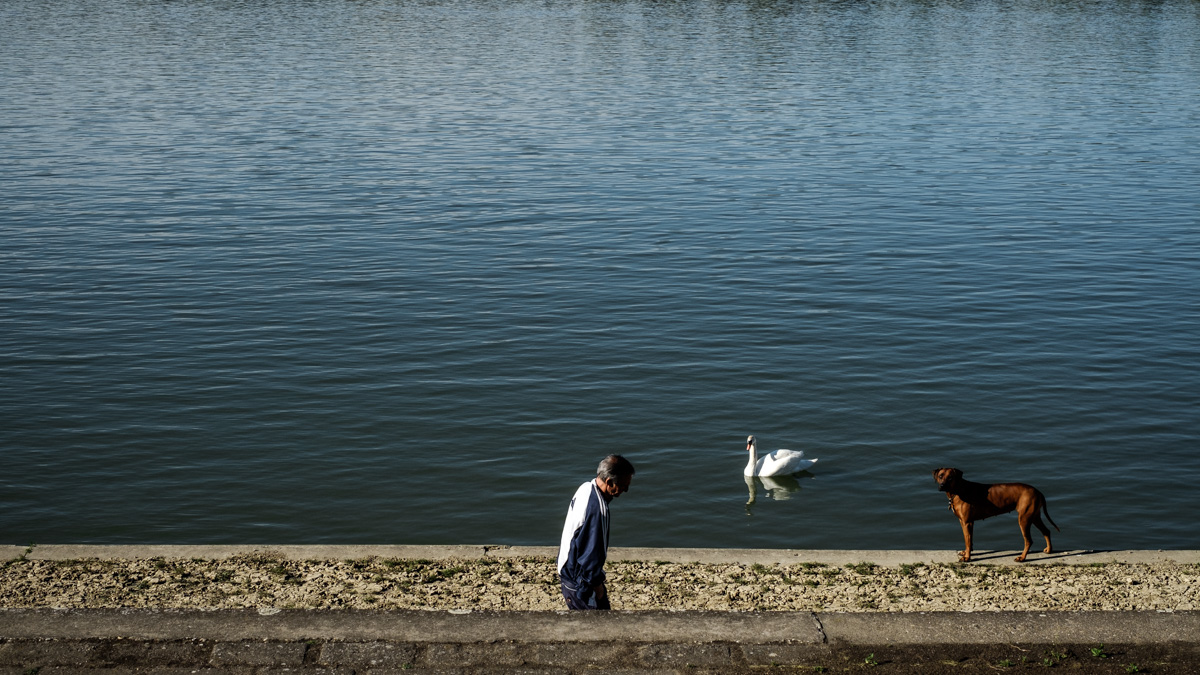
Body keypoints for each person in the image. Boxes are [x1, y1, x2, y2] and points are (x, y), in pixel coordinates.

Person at [556, 454, 635, 610]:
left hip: (566, 569)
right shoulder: (598, 510)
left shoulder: (585, 488)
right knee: (597, 628)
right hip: (579, 582)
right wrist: (598, 588)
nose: (626, 490)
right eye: (624, 485)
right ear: (609, 482)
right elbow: (591, 555)